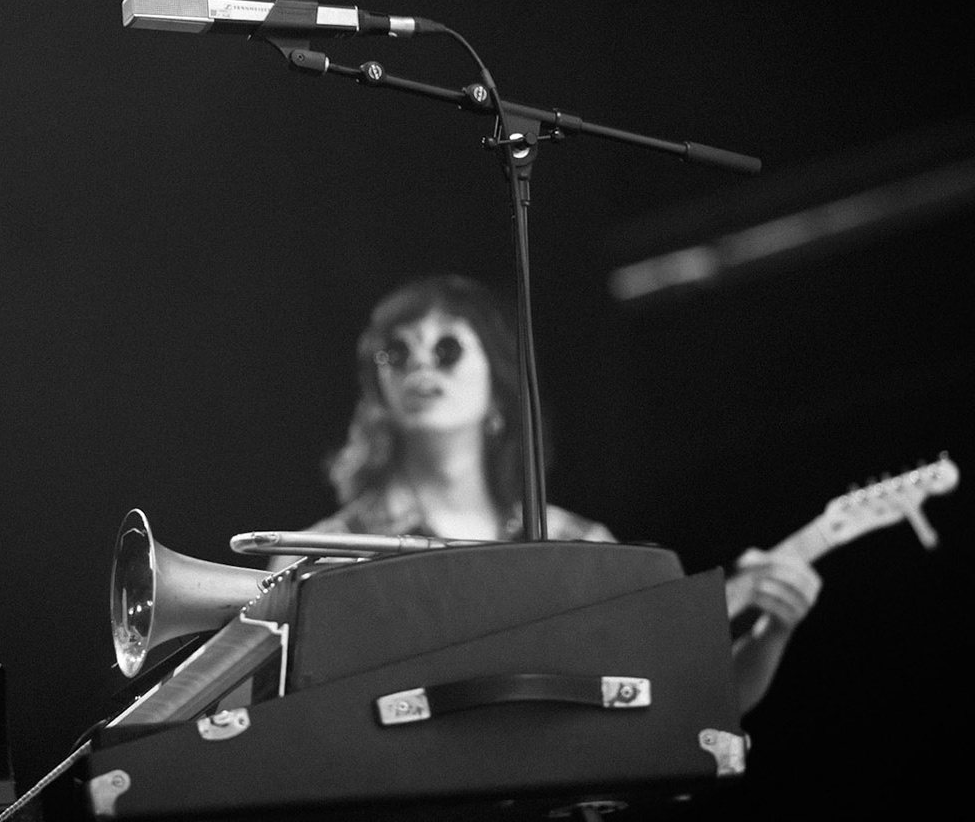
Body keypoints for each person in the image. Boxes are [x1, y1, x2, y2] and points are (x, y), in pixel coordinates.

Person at [304, 274, 820, 715]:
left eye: (447, 349)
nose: (421, 366)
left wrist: (769, 635)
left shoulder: (583, 543)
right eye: (396, 352)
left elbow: (680, 706)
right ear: (378, 390)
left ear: (498, 384)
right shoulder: (321, 553)